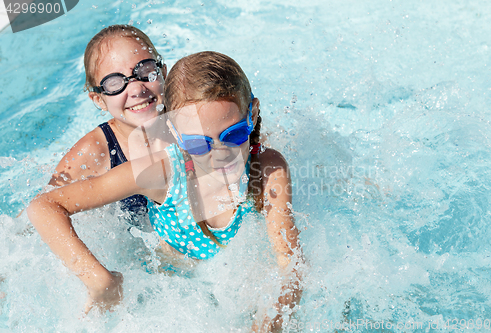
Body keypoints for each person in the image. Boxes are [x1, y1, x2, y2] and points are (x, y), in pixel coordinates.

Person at [28, 51, 302, 332]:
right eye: (199, 145)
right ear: (174, 133)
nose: (222, 155)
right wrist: (99, 281)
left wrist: (270, 320)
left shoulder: (267, 169)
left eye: (233, 135)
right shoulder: (161, 172)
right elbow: (44, 206)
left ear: (252, 115)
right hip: (168, 293)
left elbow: (290, 263)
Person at [48, 24, 167, 224]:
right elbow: (39, 216)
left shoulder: (191, 114)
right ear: (99, 100)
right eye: (115, 83)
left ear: (163, 71)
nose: (137, 89)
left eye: (145, 70)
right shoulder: (95, 151)